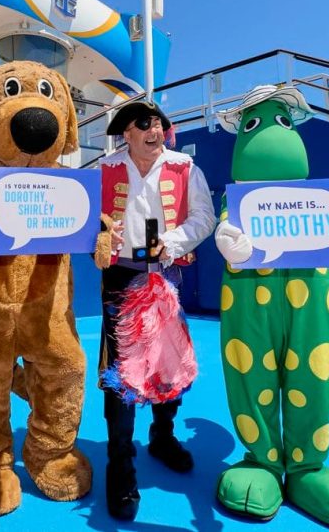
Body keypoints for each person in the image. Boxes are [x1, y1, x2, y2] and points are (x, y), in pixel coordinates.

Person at [97, 100, 216, 521]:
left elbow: (205, 216)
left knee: (169, 362)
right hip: (120, 277)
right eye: (144, 123)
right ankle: (120, 464)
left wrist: (175, 241)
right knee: (122, 373)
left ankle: (162, 435)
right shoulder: (104, 169)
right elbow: (82, 218)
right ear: (126, 132)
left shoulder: (185, 168)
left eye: (160, 123)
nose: (155, 130)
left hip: (166, 275)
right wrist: (99, 232)